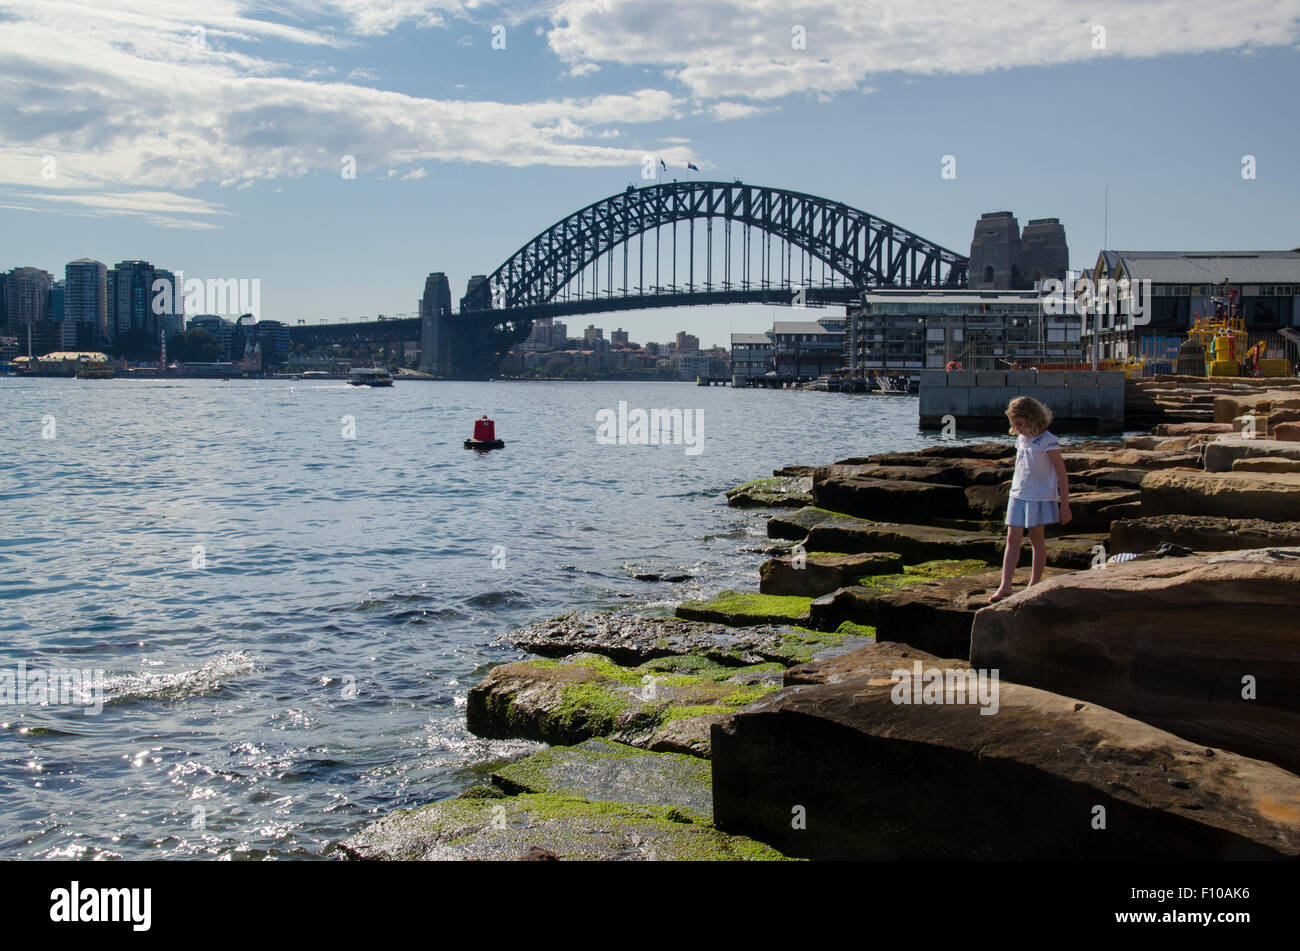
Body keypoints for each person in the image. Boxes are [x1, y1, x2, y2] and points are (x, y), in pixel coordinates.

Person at [989, 396, 1071, 602]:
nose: (1017, 428)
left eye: (1020, 424)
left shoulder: (1048, 441)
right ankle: (1005, 585)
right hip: (1018, 494)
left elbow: (1062, 473)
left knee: (1036, 539)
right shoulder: (1022, 439)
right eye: (1014, 424)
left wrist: (1065, 504)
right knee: (1012, 538)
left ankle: (1034, 584)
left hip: (1040, 496)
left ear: (1033, 418)